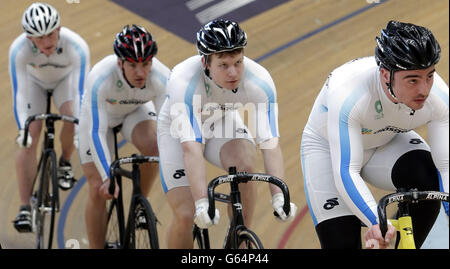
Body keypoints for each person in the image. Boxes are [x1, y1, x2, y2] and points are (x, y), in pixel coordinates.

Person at [300, 20, 448, 249]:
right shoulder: (350, 94)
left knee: (427, 179)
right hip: (328, 151)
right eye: (413, 80)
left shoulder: (439, 96)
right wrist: (376, 221)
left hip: (386, 141)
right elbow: (346, 171)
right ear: (385, 75)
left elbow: (446, 165)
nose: (424, 90)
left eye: (429, 76)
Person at [157, 19, 298, 248]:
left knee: (246, 165)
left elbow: (269, 143)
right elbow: (191, 147)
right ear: (205, 62)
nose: (233, 72)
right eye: (223, 65)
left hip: (221, 121)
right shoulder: (184, 81)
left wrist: (279, 195)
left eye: (238, 62)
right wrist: (203, 202)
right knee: (185, 213)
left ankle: (240, 241)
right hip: (178, 130)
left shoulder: (259, 81)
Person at [78, 24, 170, 249]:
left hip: (134, 112)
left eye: (146, 64)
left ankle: (140, 203)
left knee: (155, 145)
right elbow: (96, 131)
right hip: (100, 121)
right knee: (98, 188)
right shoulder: (100, 77)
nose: (140, 73)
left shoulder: (161, 77)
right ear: (120, 63)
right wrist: (107, 177)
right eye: (132, 65)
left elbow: (170, 126)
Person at [9, 2, 90, 233]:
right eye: (38, 37)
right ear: (28, 37)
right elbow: (20, 92)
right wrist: (22, 129)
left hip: (66, 83)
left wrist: (78, 127)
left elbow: (80, 92)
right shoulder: (18, 50)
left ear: (59, 29)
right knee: (30, 137)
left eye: (50, 34)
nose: (46, 42)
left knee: (72, 115)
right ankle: (24, 207)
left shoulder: (77, 46)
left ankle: (64, 161)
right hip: (34, 84)